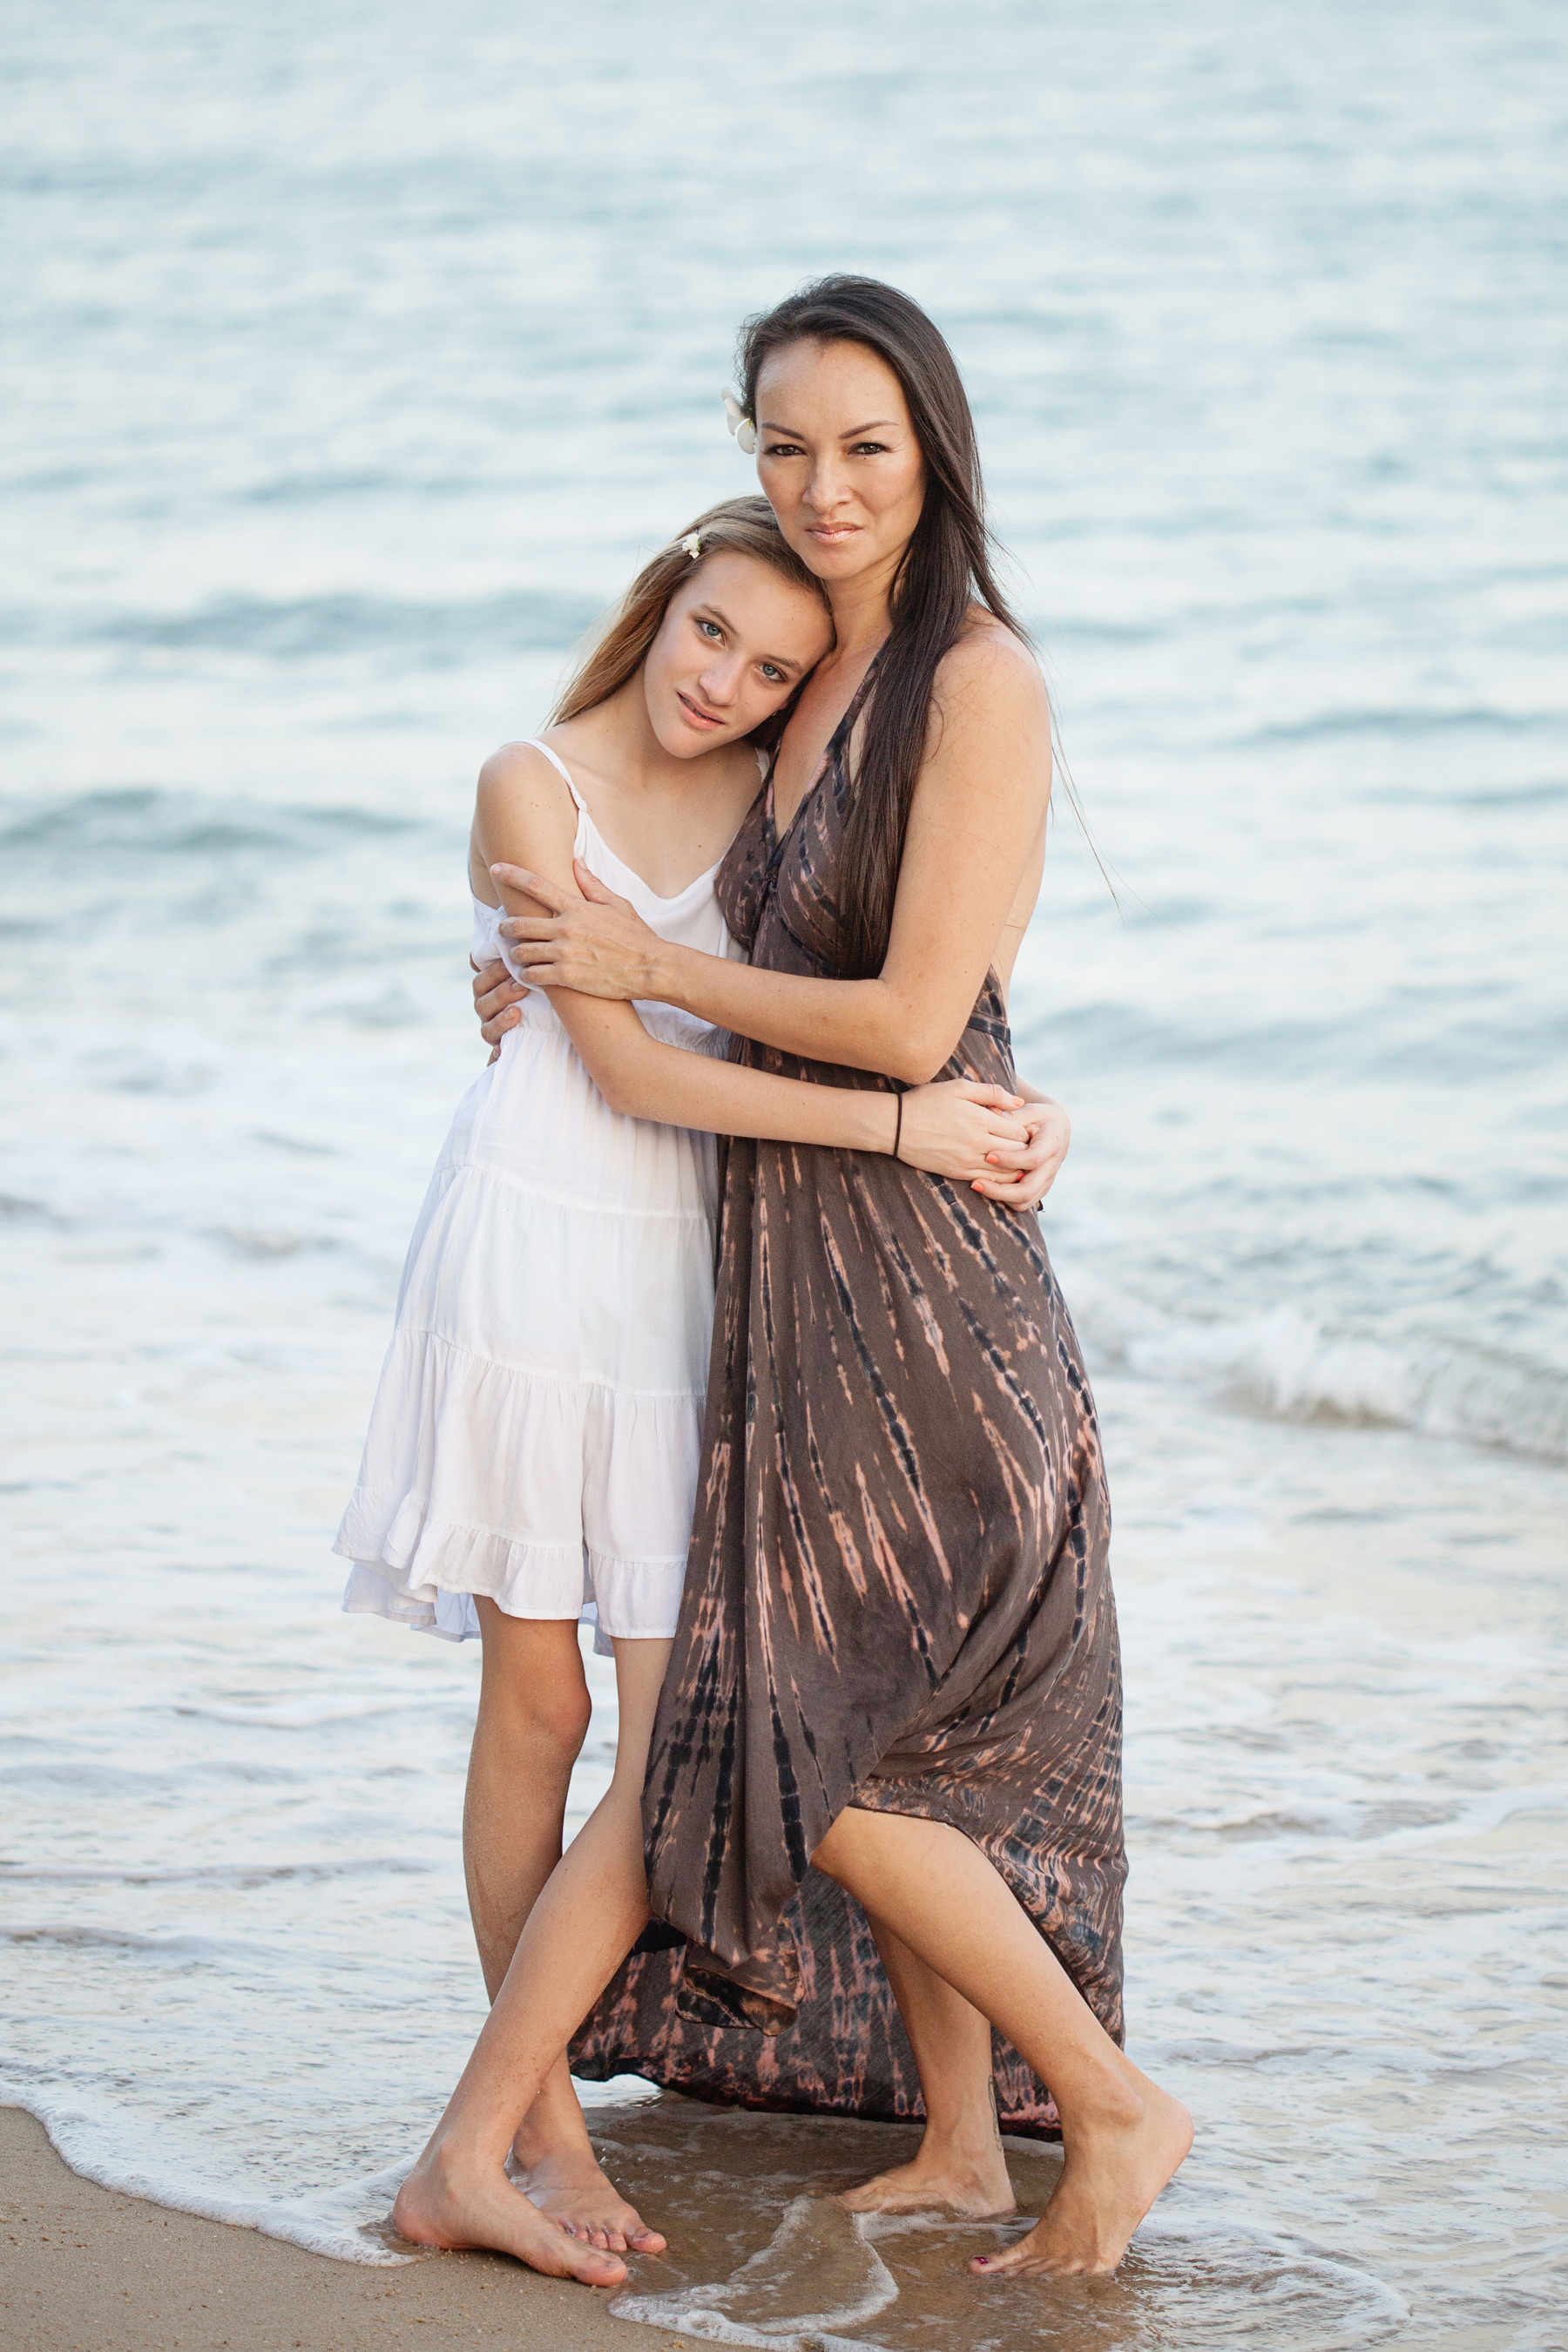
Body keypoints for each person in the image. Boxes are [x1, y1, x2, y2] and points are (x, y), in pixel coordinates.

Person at [402, 275, 1187, 2288]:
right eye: (782, 445)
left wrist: (651, 978)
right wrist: (555, 975)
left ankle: (1100, 2100)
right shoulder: (824, 656)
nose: (821, 489)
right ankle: (958, 2145)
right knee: (878, 1717)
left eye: (864, 447)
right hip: (780, 1245)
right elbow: (730, 914)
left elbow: (924, 1010)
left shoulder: (975, 674)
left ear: (935, 450)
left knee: (808, 1729)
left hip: (913, 1273)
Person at [336, 492, 1066, 2269]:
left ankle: (488, 2134)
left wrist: (1003, 1096)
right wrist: (908, 1125)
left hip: (693, 1275)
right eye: (708, 633)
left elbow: (850, 968)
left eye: (770, 667)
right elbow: (645, 1073)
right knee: (538, 1709)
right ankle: (533, 2141)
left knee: (673, 1739)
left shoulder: (761, 791)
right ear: (658, 604)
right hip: (532, 1251)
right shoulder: (532, 781)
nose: (724, 682)